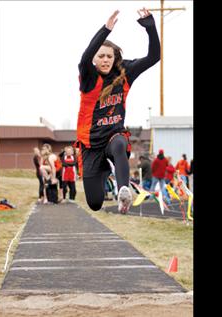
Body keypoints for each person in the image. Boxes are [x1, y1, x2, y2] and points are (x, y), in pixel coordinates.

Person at [74, 8, 160, 214]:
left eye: (109, 56)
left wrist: (150, 27)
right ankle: (104, 169)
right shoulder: (89, 77)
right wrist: (106, 30)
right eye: (101, 56)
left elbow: (154, 57)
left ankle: (124, 189)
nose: (105, 60)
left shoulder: (125, 72)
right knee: (95, 203)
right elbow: (84, 59)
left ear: (115, 57)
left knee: (120, 143)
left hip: (114, 135)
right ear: (95, 60)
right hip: (91, 144)